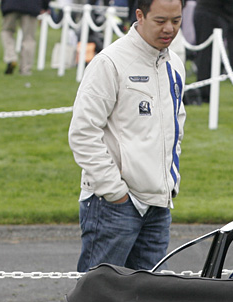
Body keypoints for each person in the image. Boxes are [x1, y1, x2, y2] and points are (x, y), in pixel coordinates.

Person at [68, 0, 187, 272]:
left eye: (176, 21)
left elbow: (176, 125)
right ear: (140, 15)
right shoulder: (109, 63)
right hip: (112, 206)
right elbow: (82, 133)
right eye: (160, 21)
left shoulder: (175, 64)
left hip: (158, 205)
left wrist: (170, 182)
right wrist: (116, 193)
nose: (169, 29)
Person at [188, 0, 233, 103]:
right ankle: (204, 92)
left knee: (210, 57)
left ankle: (207, 92)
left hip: (212, 13)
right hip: (211, 14)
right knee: (206, 57)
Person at [0, 0, 48, 76]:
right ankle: (26, 68)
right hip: (31, 6)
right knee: (29, 38)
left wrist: (3, 6)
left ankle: (11, 57)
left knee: (7, 32)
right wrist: (45, 6)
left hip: (11, 4)